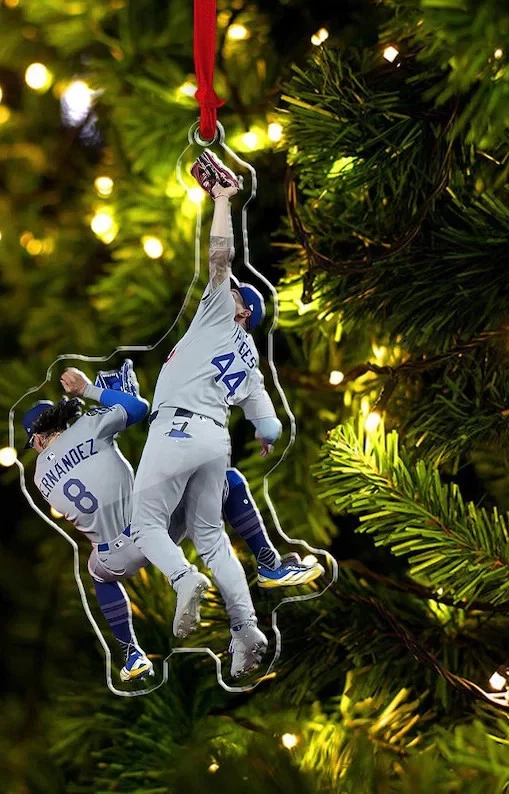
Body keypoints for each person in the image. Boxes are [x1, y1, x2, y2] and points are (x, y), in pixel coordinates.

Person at [23, 360, 323, 682]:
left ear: (38, 440)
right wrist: (97, 392)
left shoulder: (40, 478)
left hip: (115, 553)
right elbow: (138, 409)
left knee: (98, 575)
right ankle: (268, 563)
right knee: (229, 481)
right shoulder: (86, 426)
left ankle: (131, 654)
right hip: (153, 524)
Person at [127, 150, 296, 678]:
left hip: (177, 426)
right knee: (212, 538)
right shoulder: (249, 358)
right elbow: (265, 417)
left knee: (145, 520)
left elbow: (220, 258)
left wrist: (222, 201)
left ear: (241, 309)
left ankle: (182, 580)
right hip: (214, 443)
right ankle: (246, 632)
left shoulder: (222, 310)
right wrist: (267, 434)